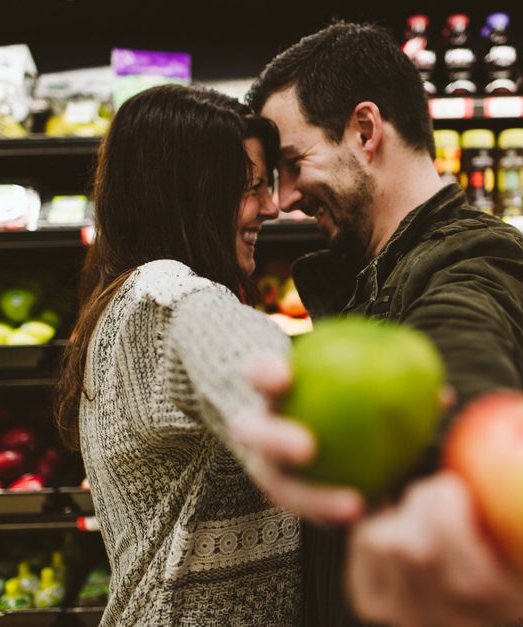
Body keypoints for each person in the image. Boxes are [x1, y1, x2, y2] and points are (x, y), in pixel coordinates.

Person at [245, 22, 523, 626]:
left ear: (365, 130)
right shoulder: (366, 269)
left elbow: (464, 340)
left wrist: (451, 483)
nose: (281, 200)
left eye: (292, 162)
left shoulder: (478, 256)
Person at [55, 84, 364, 625]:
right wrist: (273, 393)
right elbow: (212, 336)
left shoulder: (122, 298)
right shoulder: (159, 293)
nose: (271, 206)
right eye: (249, 188)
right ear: (185, 194)